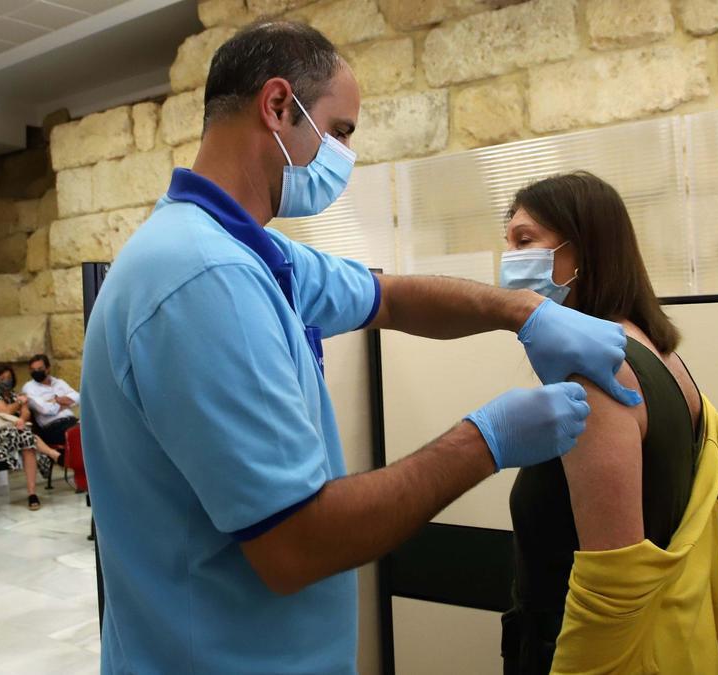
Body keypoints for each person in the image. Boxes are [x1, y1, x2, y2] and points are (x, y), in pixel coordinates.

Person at [80, 21, 640, 674]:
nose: (344, 153)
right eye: (340, 131)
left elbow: (391, 296)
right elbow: (297, 545)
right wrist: (486, 438)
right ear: (279, 106)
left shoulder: (252, 253)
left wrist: (524, 311)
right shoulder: (202, 278)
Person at [499, 171, 718, 674]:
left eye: (525, 241)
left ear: (582, 252)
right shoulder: (663, 356)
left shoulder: (598, 377)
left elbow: (614, 583)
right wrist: (677, 567)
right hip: (668, 644)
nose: (508, 262)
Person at [0, 364, 64, 511]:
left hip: (17, 433)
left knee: (27, 444)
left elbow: (26, 415)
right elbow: (5, 411)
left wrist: (21, 416)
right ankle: (54, 455)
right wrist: (20, 402)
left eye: (9, 377)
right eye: (2, 378)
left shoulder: (13, 395)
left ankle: (32, 494)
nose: (6, 380)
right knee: (26, 437)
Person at [21, 354, 80, 449]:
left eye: (40, 369)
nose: (36, 372)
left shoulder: (59, 382)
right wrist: (67, 403)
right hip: (52, 428)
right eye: (33, 369)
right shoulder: (29, 388)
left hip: (72, 421)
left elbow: (78, 397)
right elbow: (46, 410)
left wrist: (55, 400)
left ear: (48, 369)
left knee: (95, 428)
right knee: (81, 434)